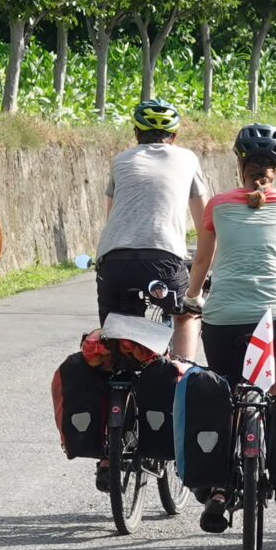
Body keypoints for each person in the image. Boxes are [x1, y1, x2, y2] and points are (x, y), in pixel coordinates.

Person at [187, 122, 276, 531]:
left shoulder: (217, 205)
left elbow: (201, 263)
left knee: (226, 393)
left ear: (239, 163)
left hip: (223, 323)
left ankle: (218, 487)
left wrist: (192, 297)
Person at [94, 98, 209, 360]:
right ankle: (182, 373)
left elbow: (111, 215)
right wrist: (204, 269)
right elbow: (205, 223)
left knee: (117, 334)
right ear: (175, 135)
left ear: (136, 132)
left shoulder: (120, 160)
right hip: (163, 259)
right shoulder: (188, 158)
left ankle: (118, 387)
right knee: (186, 314)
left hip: (113, 260)